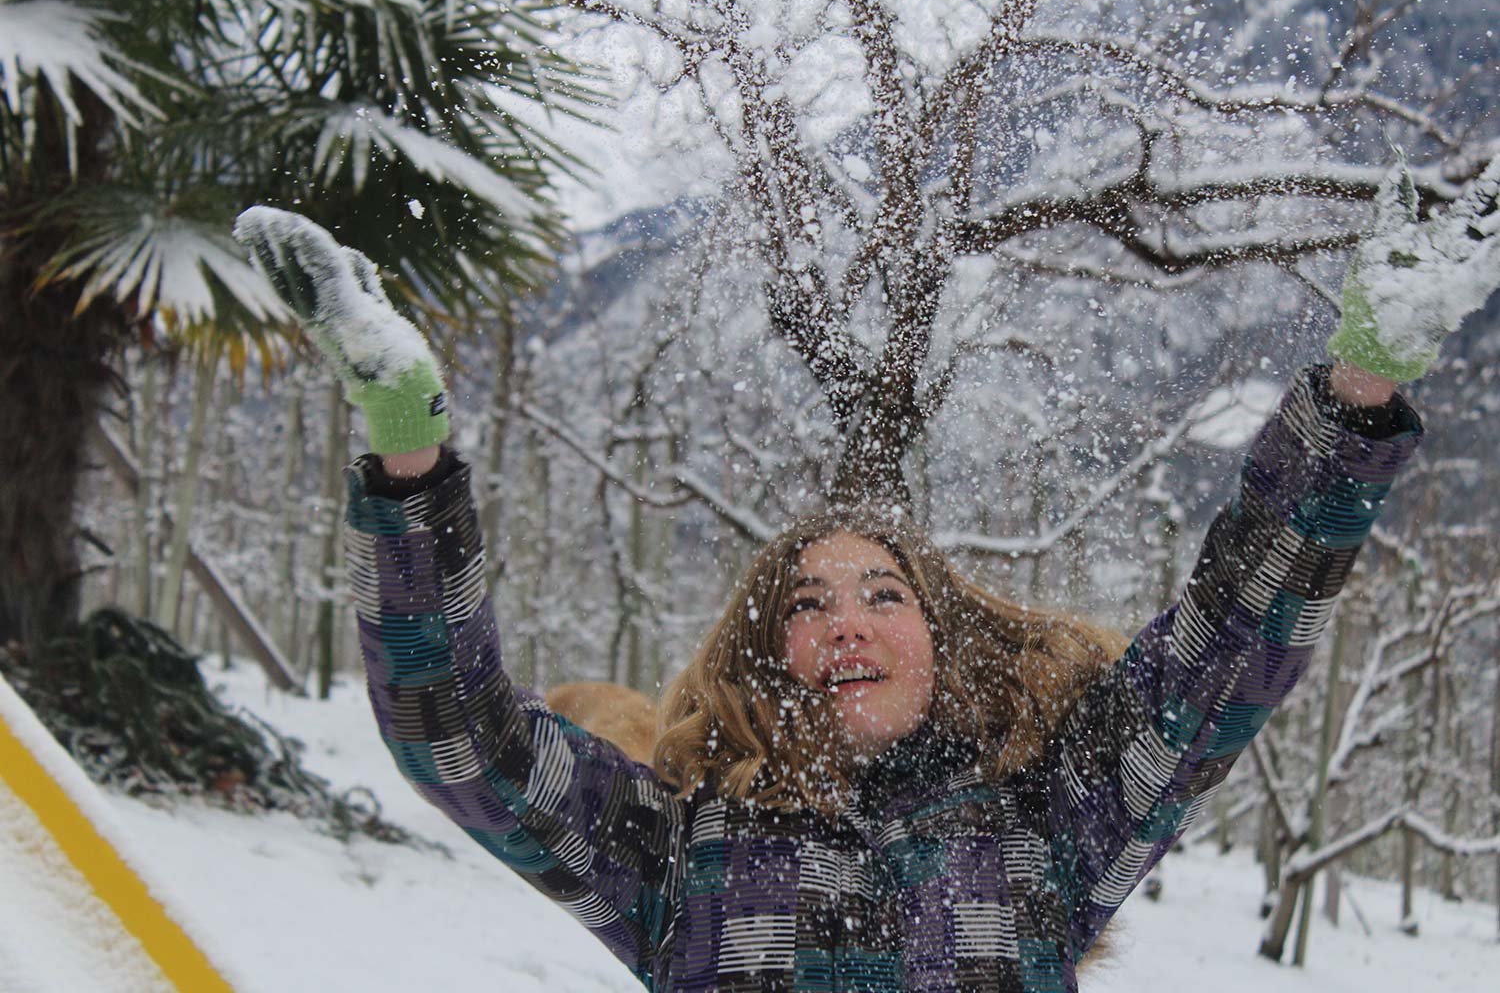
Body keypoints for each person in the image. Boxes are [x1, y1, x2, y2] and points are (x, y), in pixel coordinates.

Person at [234, 156, 1496, 993]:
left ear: (942, 636)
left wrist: (1360, 386)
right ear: (761, 660)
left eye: (885, 593)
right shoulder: (676, 853)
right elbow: (455, 735)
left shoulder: (1057, 830)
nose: (848, 620)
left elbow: (1238, 635)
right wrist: (409, 450)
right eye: (807, 602)